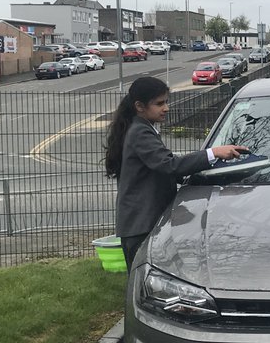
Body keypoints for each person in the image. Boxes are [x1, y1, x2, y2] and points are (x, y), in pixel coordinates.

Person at [104, 76, 247, 270]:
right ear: (140, 106)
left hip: (141, 223)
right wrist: (213, 153)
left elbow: (159, 168)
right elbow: (169, 165)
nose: (166, 108)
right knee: (145, 279)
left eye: (166, 102)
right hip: (141, 225)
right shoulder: (140, 132)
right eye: (159, 103)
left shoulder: (140, 128)